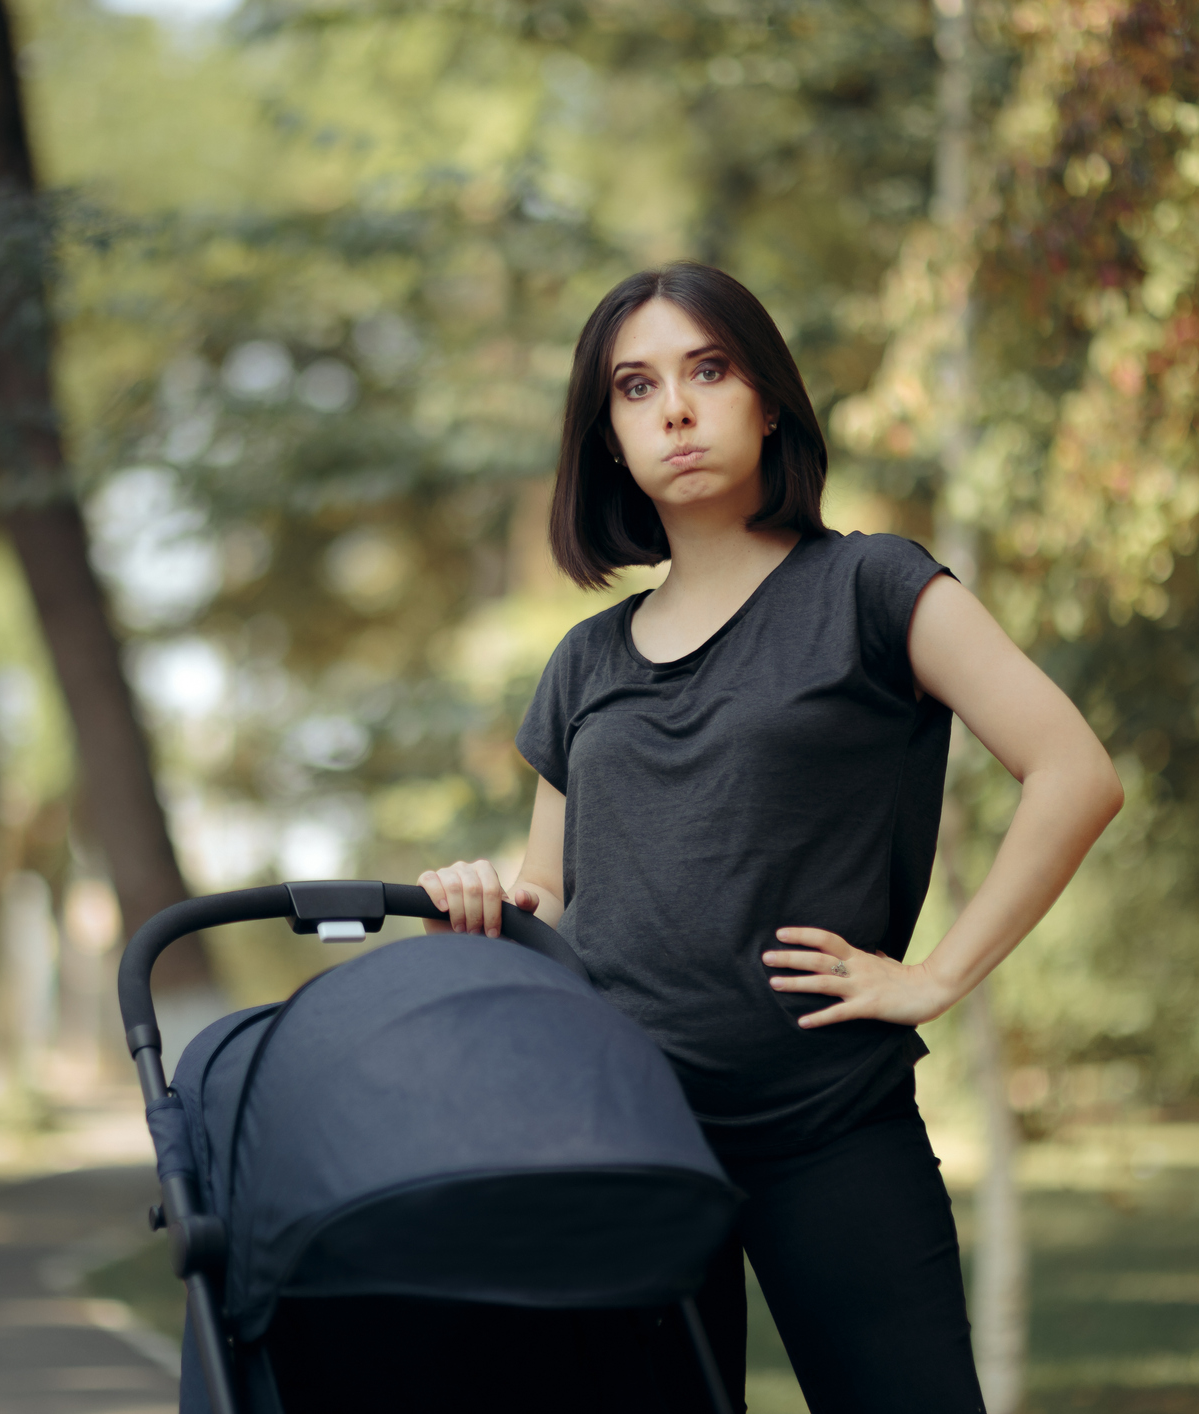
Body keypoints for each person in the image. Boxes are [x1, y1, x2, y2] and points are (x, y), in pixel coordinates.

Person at [418, 262, 1122, 1412]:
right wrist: (482, 897)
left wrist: (938, 974)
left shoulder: (871, 587)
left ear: (770, 399)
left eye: (707, 370)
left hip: (831, 1132)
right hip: (633, 1141)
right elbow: (549, 893)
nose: (676, 410)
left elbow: (1075, 772)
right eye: (635, 389)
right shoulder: (584, 663)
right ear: (607, 439)